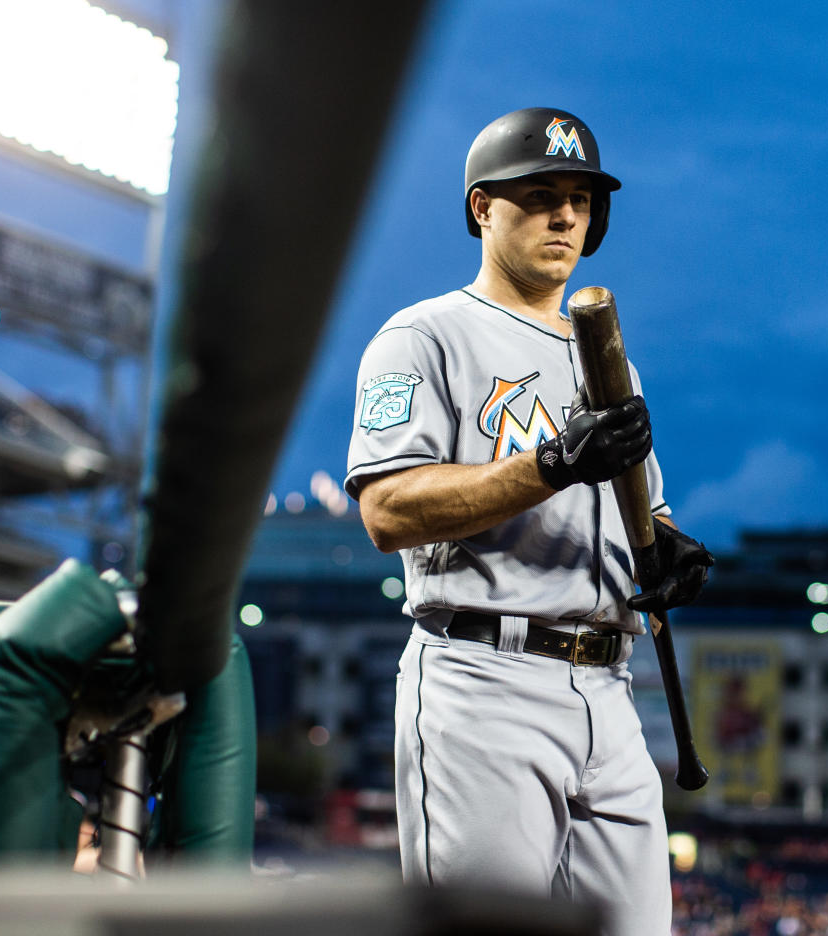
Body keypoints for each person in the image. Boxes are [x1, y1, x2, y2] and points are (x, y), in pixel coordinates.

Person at [344, 107, 713, 936]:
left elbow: (638, 513)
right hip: (483, 679)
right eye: (540, 194)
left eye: (581, 199)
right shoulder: (424, 335)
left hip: (610, 692)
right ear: (482, 207)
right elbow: (385, 510)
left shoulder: (607, 355)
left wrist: (666, 552)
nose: (566, 216)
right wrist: (547, 464)